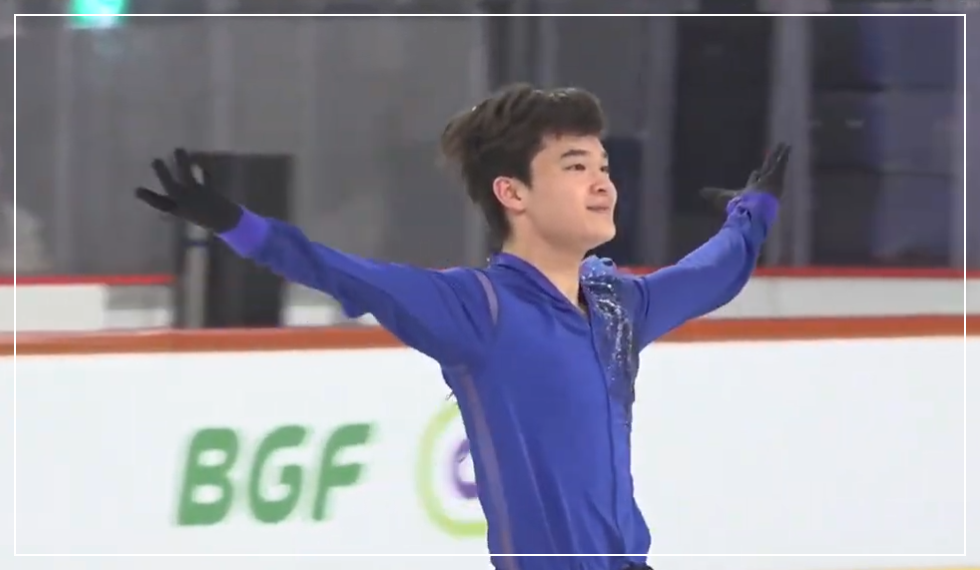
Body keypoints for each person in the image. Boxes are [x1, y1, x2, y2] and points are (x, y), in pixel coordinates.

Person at [135, 83, 789, 570]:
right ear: (513, 193)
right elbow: (340, 271)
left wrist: (752, 211)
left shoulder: (618, 305)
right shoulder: (478, 310)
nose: (602, 184)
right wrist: (233, 223)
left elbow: (713, 273)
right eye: (575, 167)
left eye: (603, 167)